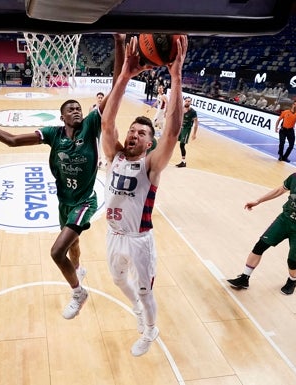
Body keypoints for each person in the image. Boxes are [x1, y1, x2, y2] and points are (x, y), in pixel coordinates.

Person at [0, 35, 126, 320]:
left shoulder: (91, 125)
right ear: (62, 117)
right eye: (70, 109)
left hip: (84, 202)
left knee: (57, 252)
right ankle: (79, 268)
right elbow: (10, 140)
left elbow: (116, 89)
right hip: (64, 202)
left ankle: (78, 292)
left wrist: (119, 44)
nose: (76, 110)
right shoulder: (53, 134)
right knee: (74, 245)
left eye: (78, 108)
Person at [100, 35, 187, 356]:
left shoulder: (151, 166)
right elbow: (108, 121)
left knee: (145, 292)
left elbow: (174, 131)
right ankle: (137, 309)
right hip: (112, 234)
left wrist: (176, 76)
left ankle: (150, 330)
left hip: (139, 240)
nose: (134, 134)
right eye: (132, 131)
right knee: (118, 281)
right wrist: (123, 75)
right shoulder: (115, 156)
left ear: (150, 143)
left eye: (142, 133)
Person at [227, 152, 296, 295]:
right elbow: (279, 190)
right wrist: (258, 200)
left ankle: (292, 280)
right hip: (284, 221)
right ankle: (244, 278)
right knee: (259, 246)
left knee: (292, 262)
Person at [175, 96, 199, 168]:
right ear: (184, 101)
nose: (187, 102)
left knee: (182, 144)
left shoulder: (193, 112)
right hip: (179, 128)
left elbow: (196, 123)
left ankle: (183, 162)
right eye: (186, 101)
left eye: (189, 101)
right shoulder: (181, 109)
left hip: (186, 129)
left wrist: (194, 134)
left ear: (191, 102)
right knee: (172, 141)